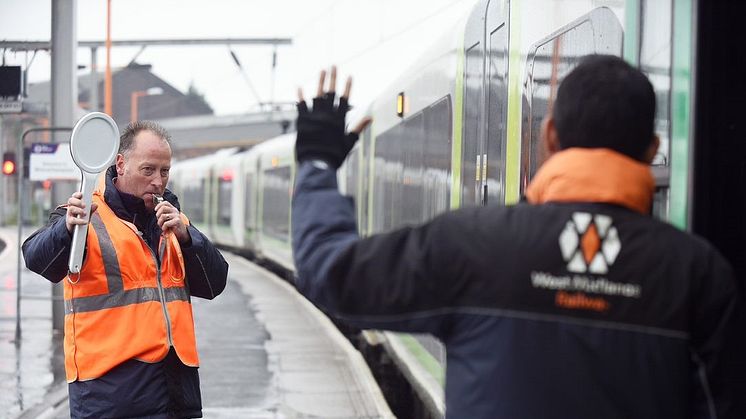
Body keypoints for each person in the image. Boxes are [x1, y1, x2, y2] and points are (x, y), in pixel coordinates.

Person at [291, 59, 744, 418]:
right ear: (651, 149)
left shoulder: (472, 244)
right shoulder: (700, 273)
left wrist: (317, 164)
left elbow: (328, 272)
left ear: (550, 137)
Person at [23, 121, 228, 419]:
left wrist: (189, 237)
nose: (158, 181)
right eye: (148, 170)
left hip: (175, 394)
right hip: (110, 396)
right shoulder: (84, 214)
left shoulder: (174, 221)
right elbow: (35, 257)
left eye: (165, 171)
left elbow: (214, 283)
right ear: (121, 164)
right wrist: (67, 229)